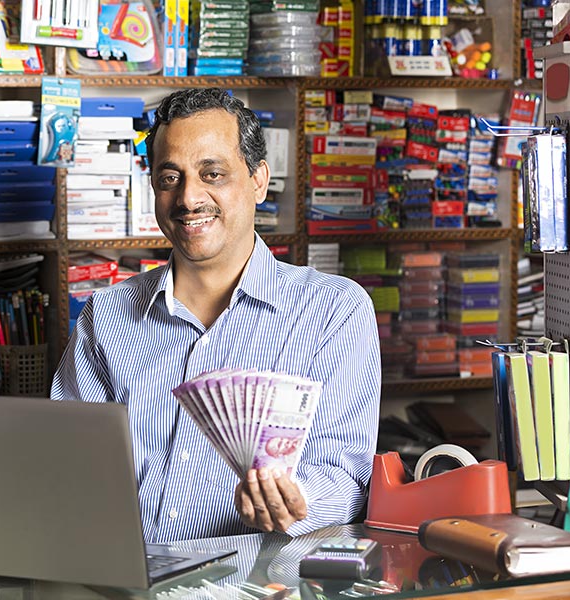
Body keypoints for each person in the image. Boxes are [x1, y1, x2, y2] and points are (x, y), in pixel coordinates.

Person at [51, 88, 381, 543]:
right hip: (121, 578)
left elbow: (348, 479)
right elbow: (68, 464)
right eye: (170, 178)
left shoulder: (334, 311)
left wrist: (293, 499)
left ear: (259, 180)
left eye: (213, 173)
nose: (189, 198)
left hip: (257, 583)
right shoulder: (106, 315)